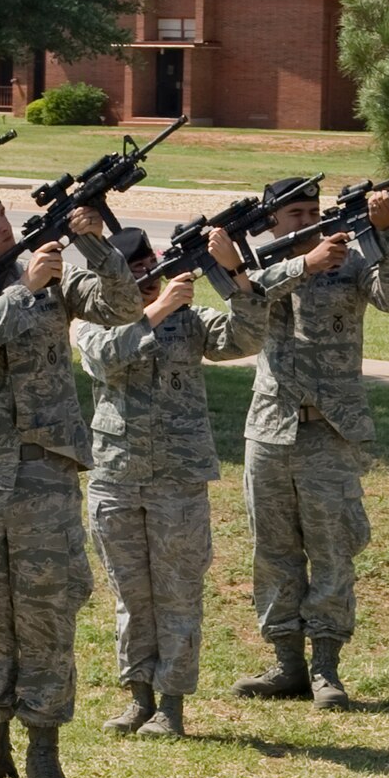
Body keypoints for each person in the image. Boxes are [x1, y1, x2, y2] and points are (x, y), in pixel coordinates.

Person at [0, 180, 139, 778]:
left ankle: (44, 749)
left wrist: (95, 247)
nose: (3, 227)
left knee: (46, 607)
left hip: (44, 469)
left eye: (2, 215)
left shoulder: (52, 277)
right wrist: (24, 293)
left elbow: (123, 306)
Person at [74, 226, 264, 738]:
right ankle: (139, 697)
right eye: (134, 274)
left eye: (148, 270)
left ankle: (171, 706)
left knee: (177, 593)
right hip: (116, 476)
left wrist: (237, 277)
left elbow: (246, 336)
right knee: (131, 595)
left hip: (177, 479)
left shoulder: (192, 321)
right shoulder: (93, 322)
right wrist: (153, 314)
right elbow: (102, 361)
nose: (145, 282)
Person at [233, 177, 389, 710]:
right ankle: (286, 663)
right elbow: (247, 298)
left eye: (314, 209)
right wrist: (304, 265)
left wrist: (385, 237)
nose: (310, 219)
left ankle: (326, 668)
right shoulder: (257, 269)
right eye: (296, 213)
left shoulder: (351, 263)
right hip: (270, 428)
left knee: (332, 548)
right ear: (272, 222)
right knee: (273, 550)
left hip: (331, 430)